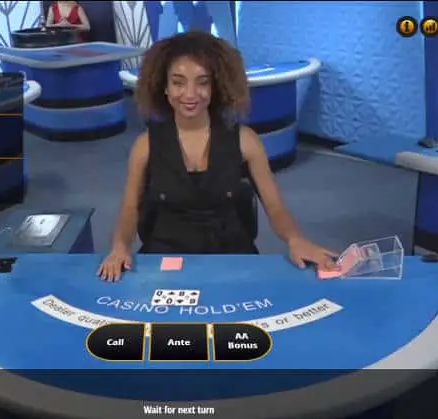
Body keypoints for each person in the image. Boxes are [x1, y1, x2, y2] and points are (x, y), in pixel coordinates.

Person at [97, 31, 338, 282]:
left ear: (215, 87)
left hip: (232, 256)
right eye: (178, 82)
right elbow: (130, 208)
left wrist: (295, 239)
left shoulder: (246, 140)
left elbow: (274, 205)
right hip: (164, 257)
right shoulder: (144, 145)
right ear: (164, 87)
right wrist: (119, 246)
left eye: (202, 82)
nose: (190, 94)